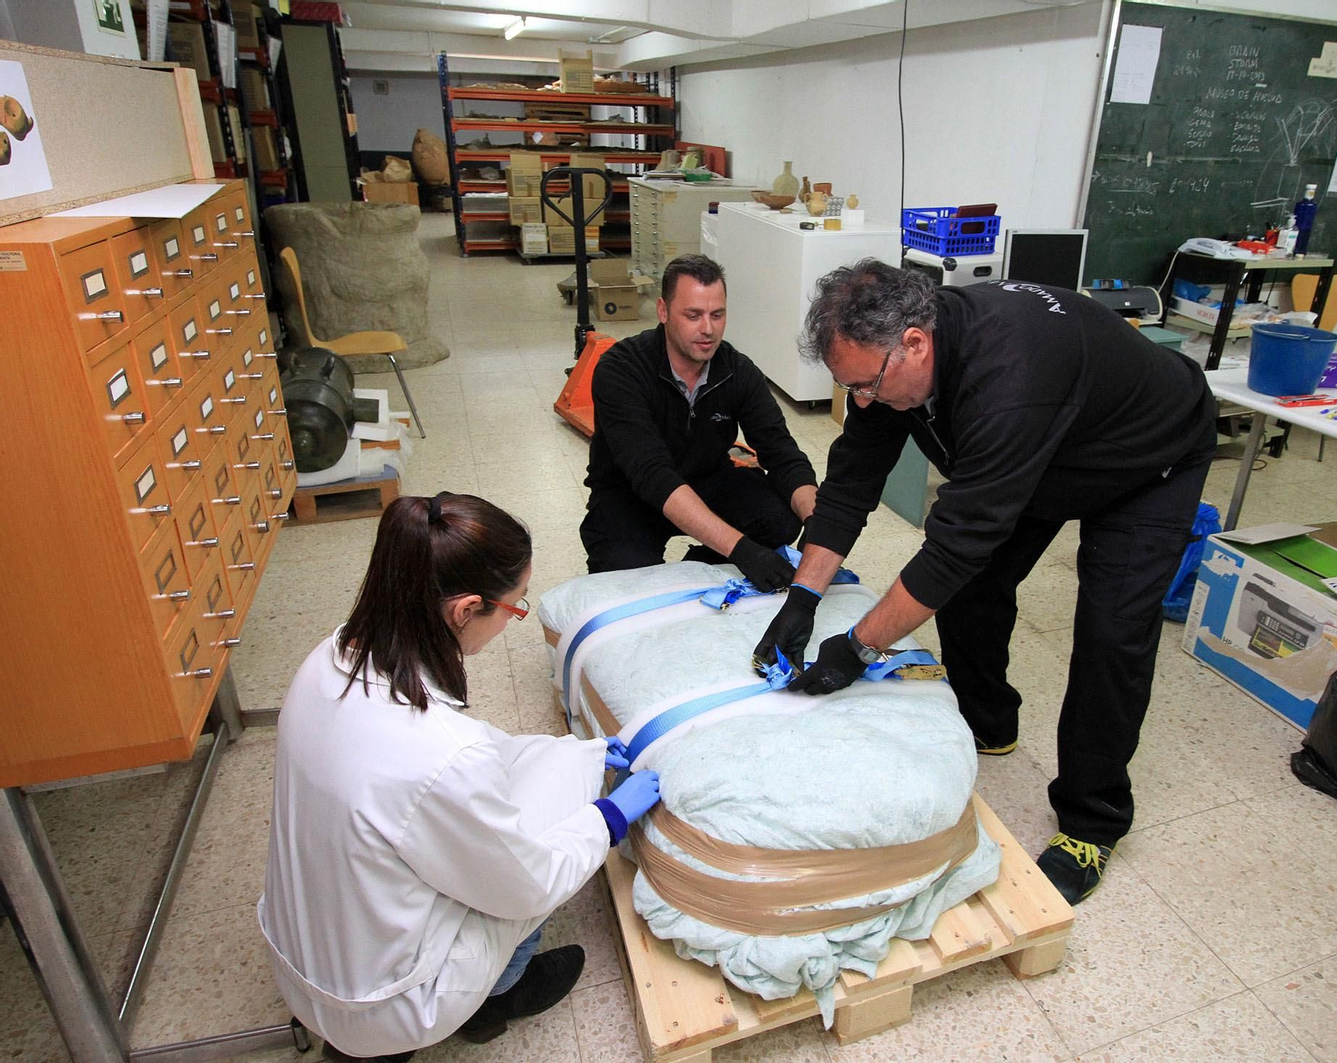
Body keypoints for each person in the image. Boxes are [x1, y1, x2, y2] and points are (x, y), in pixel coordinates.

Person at [754, 262, 1216, 904]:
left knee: (1113, 633)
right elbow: (853, 481)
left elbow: (952, 551)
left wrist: (856, 648)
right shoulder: (887, 366)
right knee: (973, 591)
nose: (861, 401)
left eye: (867, 385)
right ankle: (987, 721)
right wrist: (803, 599)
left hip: (1145, 461)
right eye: (847, 386)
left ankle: (1093, 821)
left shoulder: (1011, 379)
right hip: (1048, 451)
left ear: (915, 342)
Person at [259, 492, 662, 1062]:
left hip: (306, 951)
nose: (511, 623)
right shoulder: (438, 755)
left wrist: (584, 755)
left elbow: (478, 758)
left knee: (550, 779)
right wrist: (608, 820)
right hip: (386, 1003)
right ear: (465, 609)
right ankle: (498, 995)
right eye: (514, 609)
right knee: (556, 838)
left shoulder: (333, 656)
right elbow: (529, 879)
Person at [581, 253, 818, 590]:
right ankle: (700, 559)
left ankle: (700, 569)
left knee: (779, 518)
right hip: (630, 494)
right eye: (693, 315)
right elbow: (652, 474)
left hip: (706, 480)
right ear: (663, 311)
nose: (707, 329)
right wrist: (743, 550)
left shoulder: (738, 371)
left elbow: (782, 453)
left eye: (717, 315)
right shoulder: (621, 370)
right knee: (623, 577)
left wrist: (816, 519)